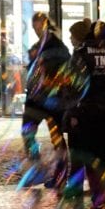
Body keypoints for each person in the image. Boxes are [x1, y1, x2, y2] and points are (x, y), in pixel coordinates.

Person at [66, 21, 105, 209]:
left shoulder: (82, 53)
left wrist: (73, 114)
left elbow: (74, 86)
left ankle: (99, 203)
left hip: (89, 115)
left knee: (94, 162)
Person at [21, 12, 71, 189]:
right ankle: (38, 169)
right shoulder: (40, 46)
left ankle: (60, 174)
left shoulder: (57, 46)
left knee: (56, 138)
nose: (36, 30)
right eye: (34, 27)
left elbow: (64, 71)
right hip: (37, 98)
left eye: (38, 26)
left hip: (51, 98)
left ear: (45, 24)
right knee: (28, 132)